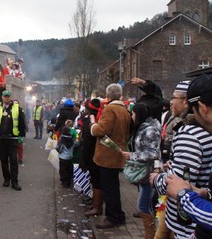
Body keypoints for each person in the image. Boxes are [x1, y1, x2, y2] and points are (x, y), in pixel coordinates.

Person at [151, 76, 212, 239]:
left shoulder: (191, 135)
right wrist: (204, 193)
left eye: (174, 97)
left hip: (187, 223)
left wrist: (157, 179)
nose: (170, 101)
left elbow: (177, 183)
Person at [90, 83, 131, 229]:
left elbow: (102, 129)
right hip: (117, 153)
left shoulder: (110, 109)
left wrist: (93, 125)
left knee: (108, 189)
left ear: (108, 96)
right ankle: (118, 215)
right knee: (114, 187)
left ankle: (112, 217)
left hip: (107, 156)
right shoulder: (124, 110)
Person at [122, 103, 161, 239]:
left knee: (143, 205)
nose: (131, 116)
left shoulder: (150, 130)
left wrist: (132, 156)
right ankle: (151, 234)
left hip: (148, 171)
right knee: (145, 203)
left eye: (133, 113)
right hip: (143, 170)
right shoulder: (142, 128)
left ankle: (151, 235)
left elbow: (154, 153)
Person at [79, 98, 103, 217]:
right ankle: (95, 204)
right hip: (95, 154)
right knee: (95, 180)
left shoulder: (93, 122)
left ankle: (97, 207)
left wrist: (83, 159)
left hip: (94, 155)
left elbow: (88, 141)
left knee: (97, 181)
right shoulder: (96, 119)